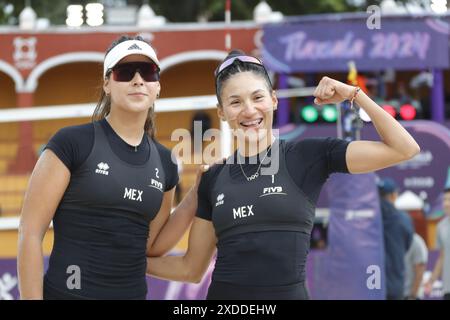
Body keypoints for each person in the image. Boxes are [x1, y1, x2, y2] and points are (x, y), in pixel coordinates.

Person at [146, 50, 420, 300]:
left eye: (257, 97)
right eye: (235, 102)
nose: (249, 110)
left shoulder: (308, 156)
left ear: (274, 100)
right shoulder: (213, 178)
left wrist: (354, 94)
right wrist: (119, 260)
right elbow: (191, 269)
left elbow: (404, 149)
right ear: (222, 112)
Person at [17, 35, 202, 300]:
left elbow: (149, 246)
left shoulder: (166, 162)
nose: (138, 80)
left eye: (148, 72)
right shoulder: (71, 143)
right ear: (107, 83)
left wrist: (195, 195)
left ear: (157, 86)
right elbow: (30, 232)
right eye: (125, 72)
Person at [377, 177, 414, 300]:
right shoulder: (403, 219)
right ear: (393, 195)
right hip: (395, 283)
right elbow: (408, 245)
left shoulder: (368, 220)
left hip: (371, 283)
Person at [425, 187, 450, 300]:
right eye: (445, 200)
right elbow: (442, 257)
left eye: (449, 200)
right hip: (447, 289)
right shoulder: (441, 226)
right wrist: (431, 281)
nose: (446, 203)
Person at [404, 233, 428, 300]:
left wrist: (413, 296)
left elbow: (420, 271)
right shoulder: (392, 240)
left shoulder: (416, 241)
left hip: (410, 295)